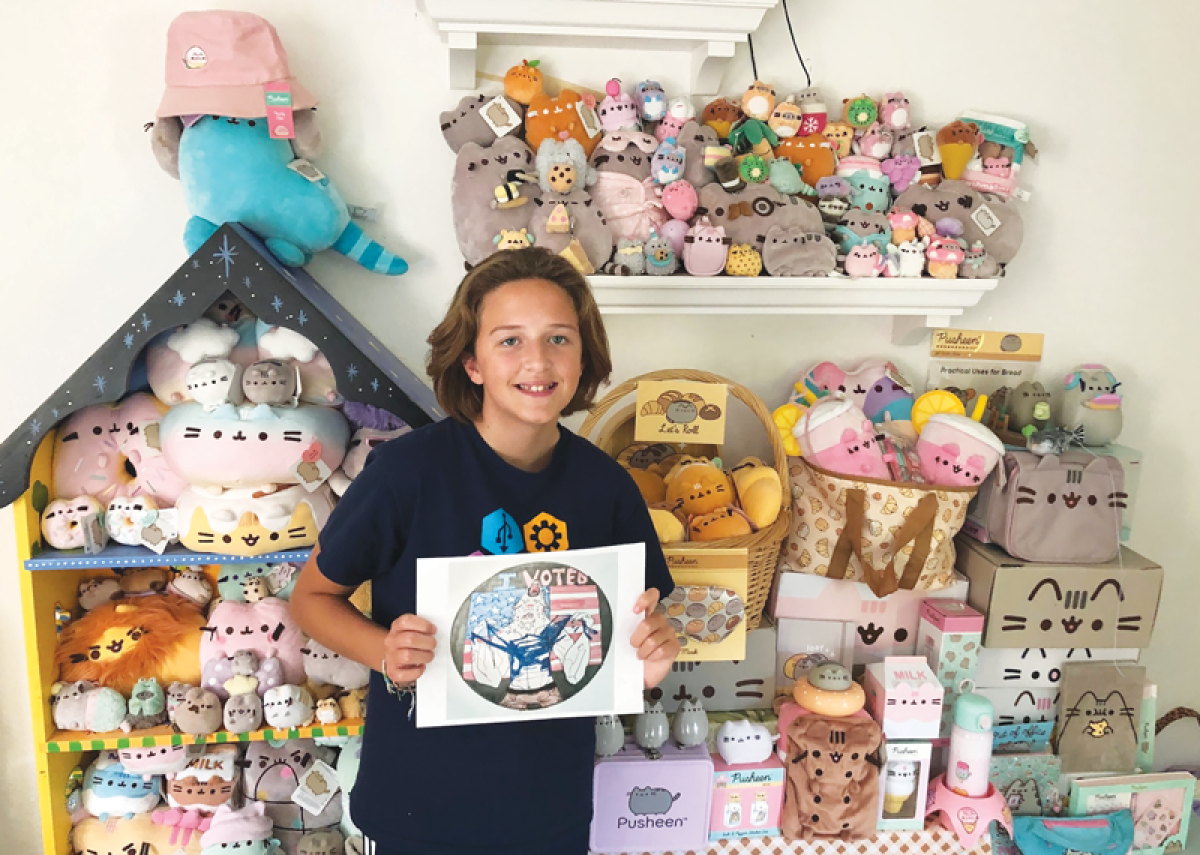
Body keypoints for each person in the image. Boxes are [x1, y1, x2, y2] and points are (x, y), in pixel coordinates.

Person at [290, 247, 679, 855]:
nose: (538, 361)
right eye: (509, 341)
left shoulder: (607, 489)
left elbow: (632, 630)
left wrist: (650, 655)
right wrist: (383, 650)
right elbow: (312, 598)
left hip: (550, 804)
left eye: (558, 338)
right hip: (417, 804)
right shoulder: (406, 474)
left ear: (583, 357)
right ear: (470, 362)